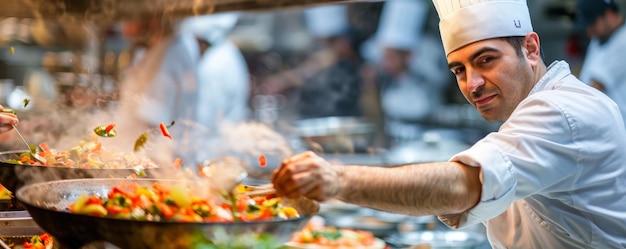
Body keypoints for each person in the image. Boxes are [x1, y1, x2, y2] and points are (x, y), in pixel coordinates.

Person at [271, 0, 626, 248]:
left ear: (531, 49)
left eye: (486, 60)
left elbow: (461, 187)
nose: (472, 84)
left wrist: (337, 179)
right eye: (459, 69)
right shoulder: (533, 108)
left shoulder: (563, 110)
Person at [112, 13, 250, 167]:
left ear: (154, 18)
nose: (122, 27)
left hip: (166, 166)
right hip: (167, 161)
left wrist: (115, 150)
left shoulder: (175, 51)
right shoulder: (164, 47)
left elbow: (149, 121)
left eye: (129, 18)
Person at [359, 0, 452, 145]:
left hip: (431, 138)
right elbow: (373, 117)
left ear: (408, 55)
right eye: (385, 56)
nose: (386, 63)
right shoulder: (382, 79)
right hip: (394, 139)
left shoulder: (428, 66)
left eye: (392, 56)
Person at [574, 0, 626, 127]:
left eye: (592, 24)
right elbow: (583, 75)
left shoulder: (623, 40)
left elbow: (595, 87)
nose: (589, 31)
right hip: (601, 124)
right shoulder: (600, 37)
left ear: (608, 15)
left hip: (619, 131)